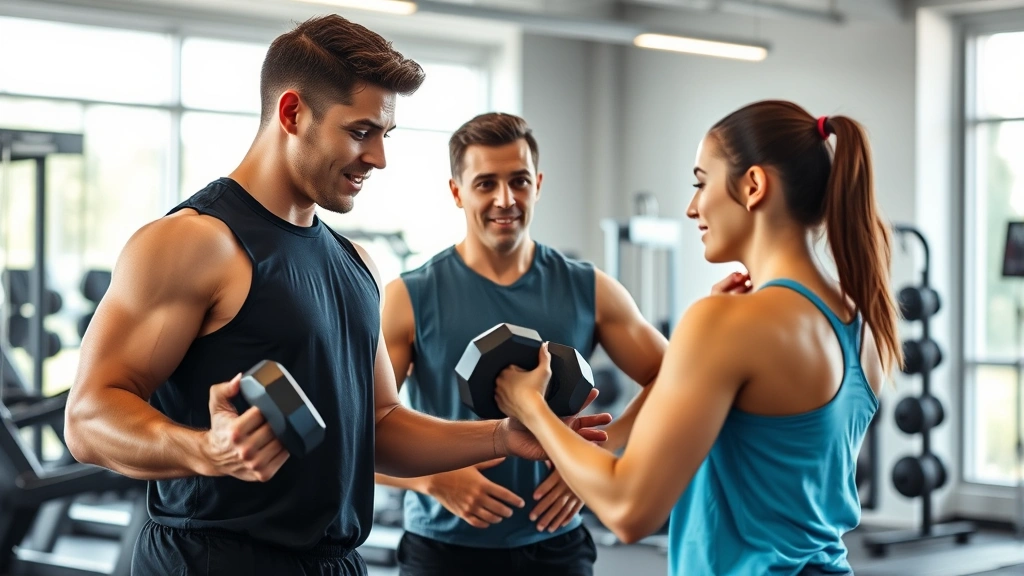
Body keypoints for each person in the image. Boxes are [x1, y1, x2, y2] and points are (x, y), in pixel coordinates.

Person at [63, 15, 608, 576]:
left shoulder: (355, 264)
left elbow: (381, 424)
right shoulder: (194, 243)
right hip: (214, 559)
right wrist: (204, 450)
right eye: (360, 132)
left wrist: (502, 435)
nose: (378, 158)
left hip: (335, 562)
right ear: (293, 113)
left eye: (384, 136)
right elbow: (87, 418)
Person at [494, 100, 902, 576]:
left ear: (753, 186)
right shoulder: (862, 325)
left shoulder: (728, 325)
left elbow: (628, 512)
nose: (691, 207)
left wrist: (531, 410)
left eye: (700, 182)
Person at [373, 112, 668, 576]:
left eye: (519, 181)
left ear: (539, 184)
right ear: (457, 191)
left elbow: (674, 379)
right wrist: (433, 480)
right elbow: (356, 427)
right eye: (486, 183)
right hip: (442, 549)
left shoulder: (589, 288)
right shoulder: (408, 297)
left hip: (556, 547)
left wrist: (596, 459)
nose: (505, 199)